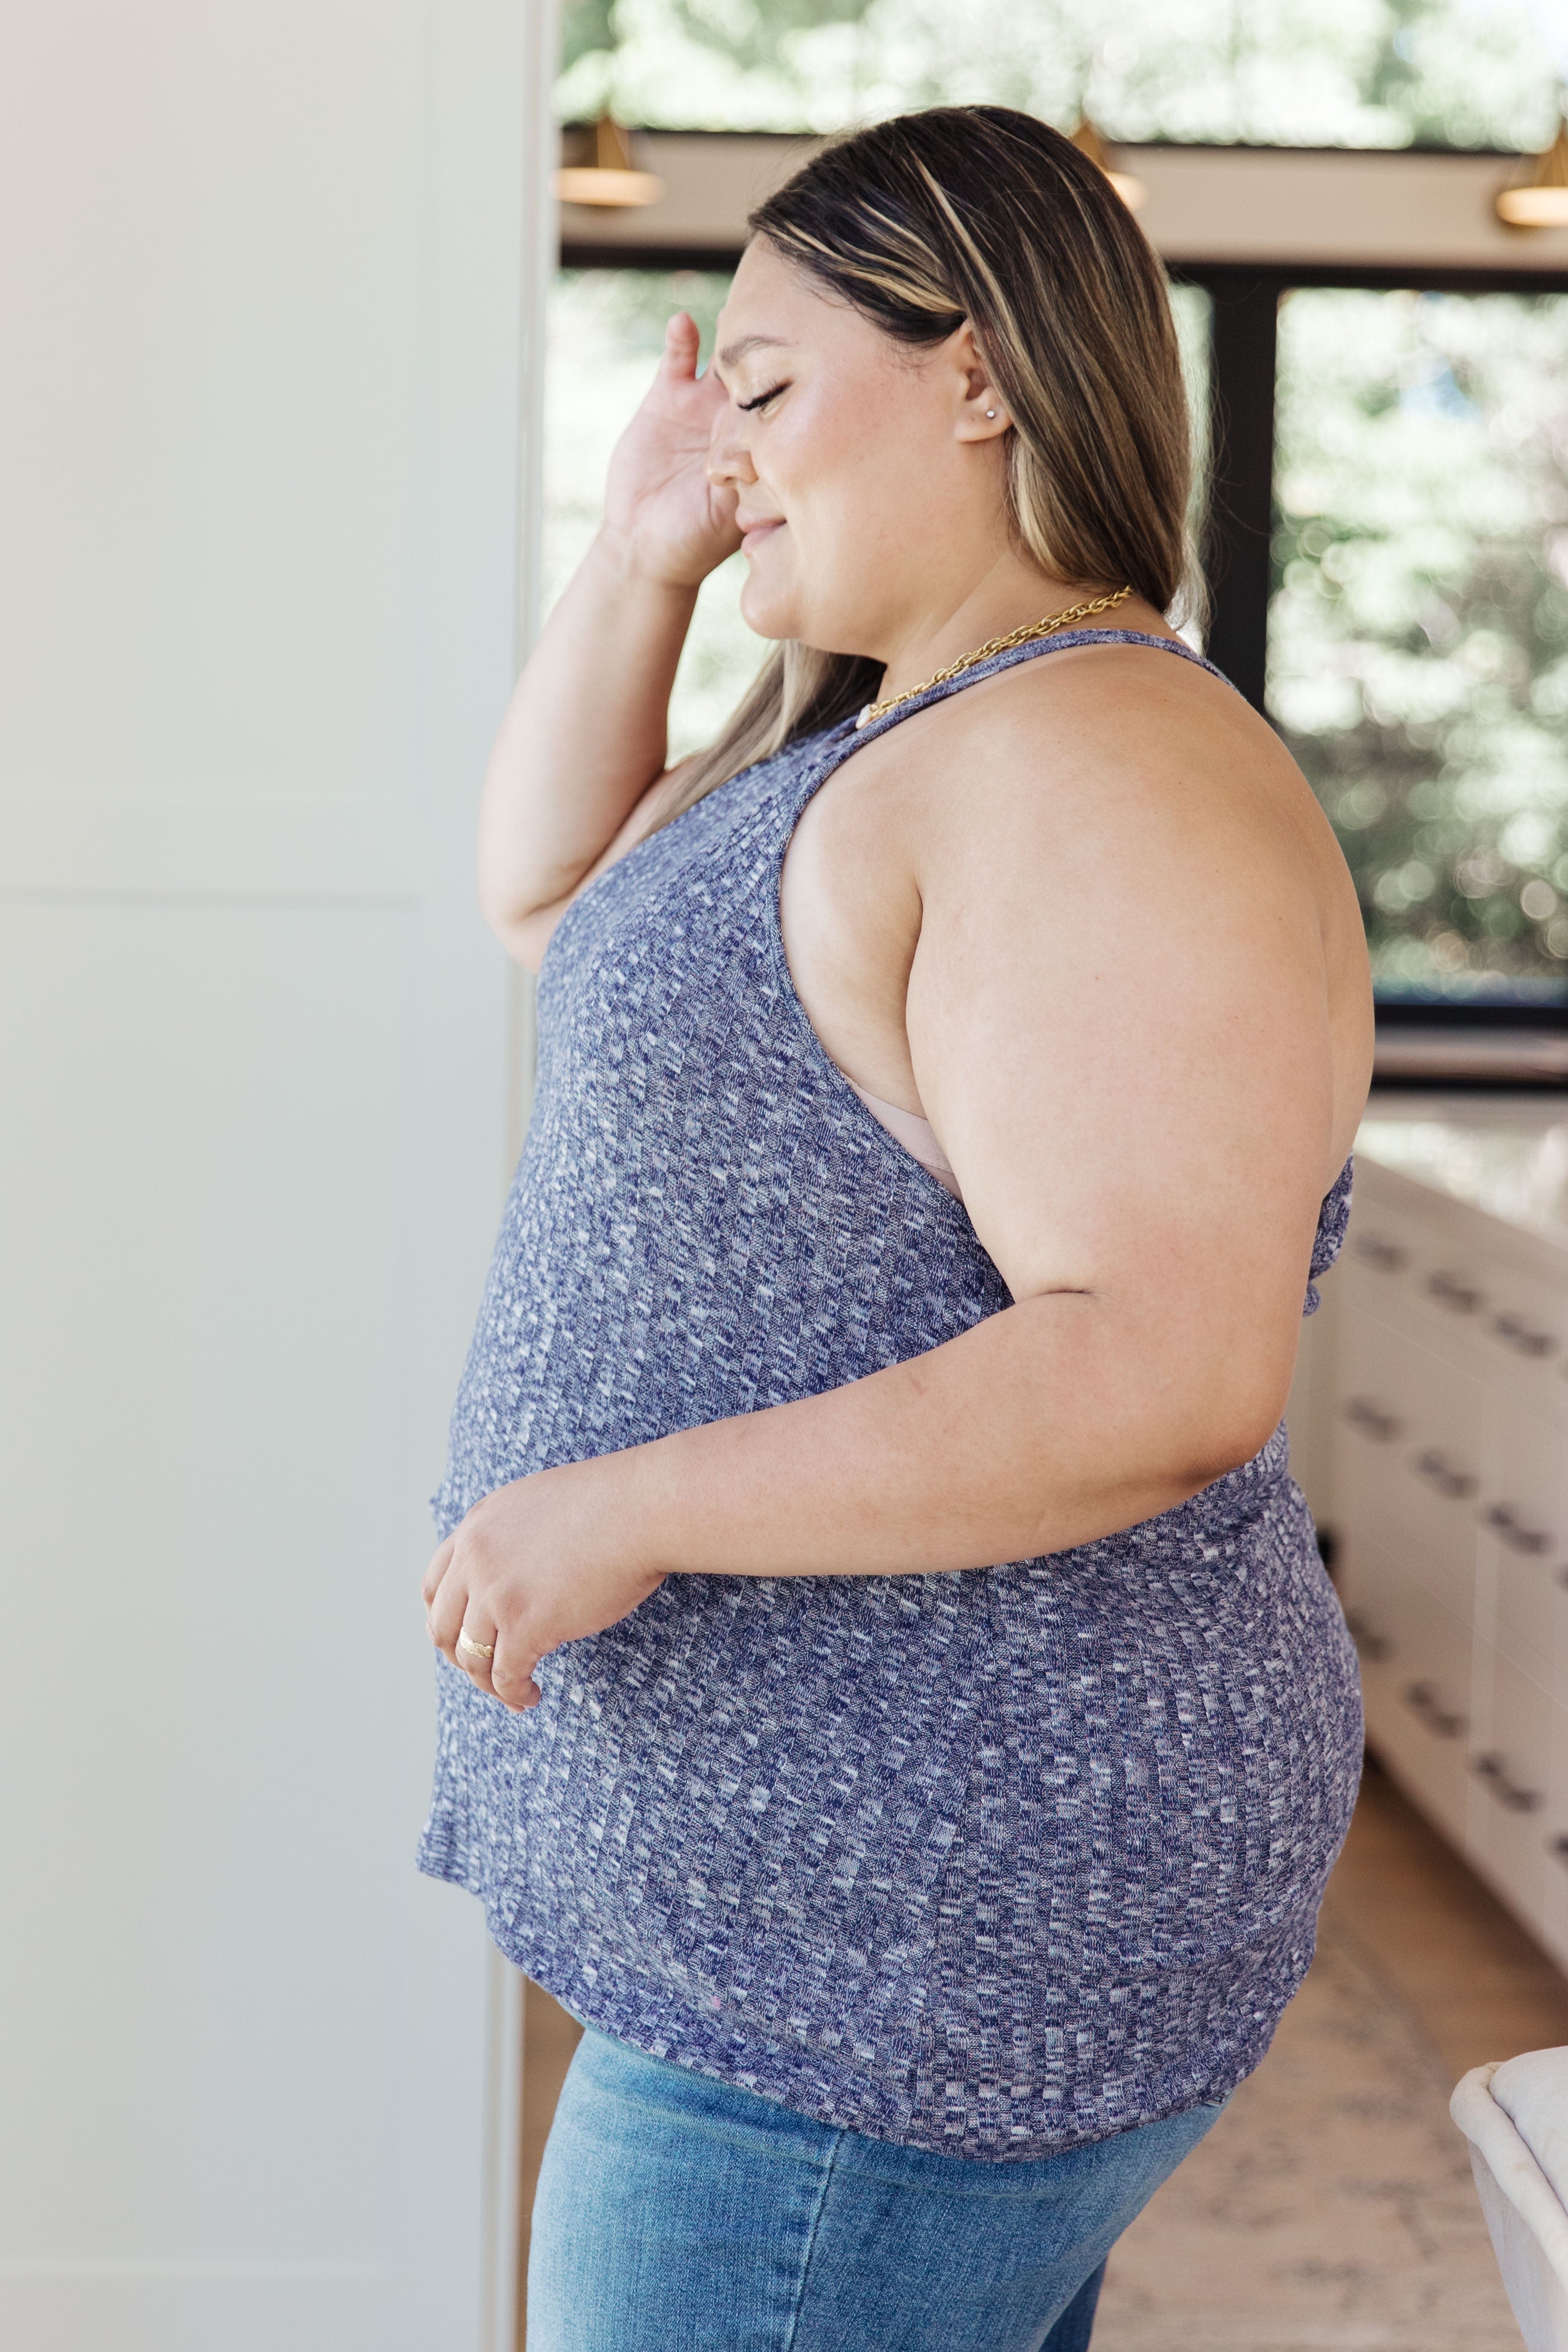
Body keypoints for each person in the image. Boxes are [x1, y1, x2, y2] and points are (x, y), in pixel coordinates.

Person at [419, 104, 1371, 2352]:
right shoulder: (890, 742)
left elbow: (1153, 1354)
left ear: (975, 374)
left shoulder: (1093, 767)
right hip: (826, 1937)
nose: (721, 440)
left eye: (758, 385)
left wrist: (632, 1502)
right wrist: (653, 547)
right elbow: (552, 900)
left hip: (891, 1955)